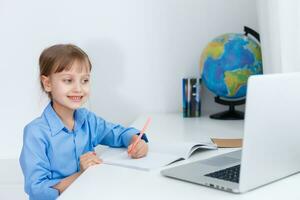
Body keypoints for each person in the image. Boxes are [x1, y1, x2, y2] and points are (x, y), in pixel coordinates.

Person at [19, 44, 148, 200]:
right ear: (47, 83)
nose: (79, 88)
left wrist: (136, 140)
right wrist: (81, 174)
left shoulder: (87, 120)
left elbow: (117, 133)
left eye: (85, 80)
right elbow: (38, 190)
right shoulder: (36, 132)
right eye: (68, 80)